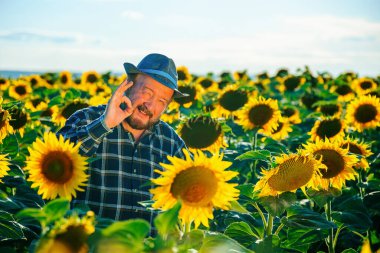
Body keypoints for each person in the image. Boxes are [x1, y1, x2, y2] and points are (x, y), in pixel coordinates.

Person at [57, 53, 189, 225]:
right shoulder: (86, 119)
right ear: (129, 85)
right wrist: (105, 124)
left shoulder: (171, 143)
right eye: (147, 93)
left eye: (161, 101)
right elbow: (57, 163)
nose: (150, 105)